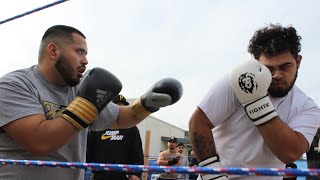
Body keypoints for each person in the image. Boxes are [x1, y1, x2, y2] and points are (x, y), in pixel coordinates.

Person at [0, 25, 183, 180]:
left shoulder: (79, 90)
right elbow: (39, 142)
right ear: (53, 51)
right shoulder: (14, 85)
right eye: (79, 52)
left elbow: (120, 119)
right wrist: (85, 108)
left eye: (86, 54)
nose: (86, 61)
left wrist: (146, 104)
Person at [189, 23, 320, 180]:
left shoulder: (307, 107)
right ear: (256, 63)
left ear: (298, 61)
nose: (277, 75)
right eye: (269, 68)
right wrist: (211, 173)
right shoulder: (237, 81)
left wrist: (257, 102)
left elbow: (290, 153)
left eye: (285, 67)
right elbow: (198, 122)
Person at [86, 94, 144, 180]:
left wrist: (136, 174)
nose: (120, 110)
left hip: (123, 176)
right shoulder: (97, 126)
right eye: (117, 107)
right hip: (99, 175)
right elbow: (88, 150)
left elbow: (137, 153)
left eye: (123, 107)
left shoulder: (132, 128)